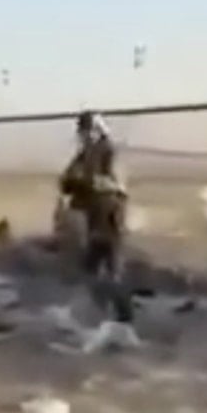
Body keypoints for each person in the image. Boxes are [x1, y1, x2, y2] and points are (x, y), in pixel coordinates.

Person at [60, 111, 132, 322]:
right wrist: (78, 182)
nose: (83, 135)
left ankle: (122, 319)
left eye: (87, 131)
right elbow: (67, 180)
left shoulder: (108, 151)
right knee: (91, 267)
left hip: (109, 214)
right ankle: (101, 312)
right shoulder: (86, 153)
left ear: (96, 130)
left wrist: (85, 182)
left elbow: (113, 183)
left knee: (111, 266)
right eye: (82, 131)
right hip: (95, 215)